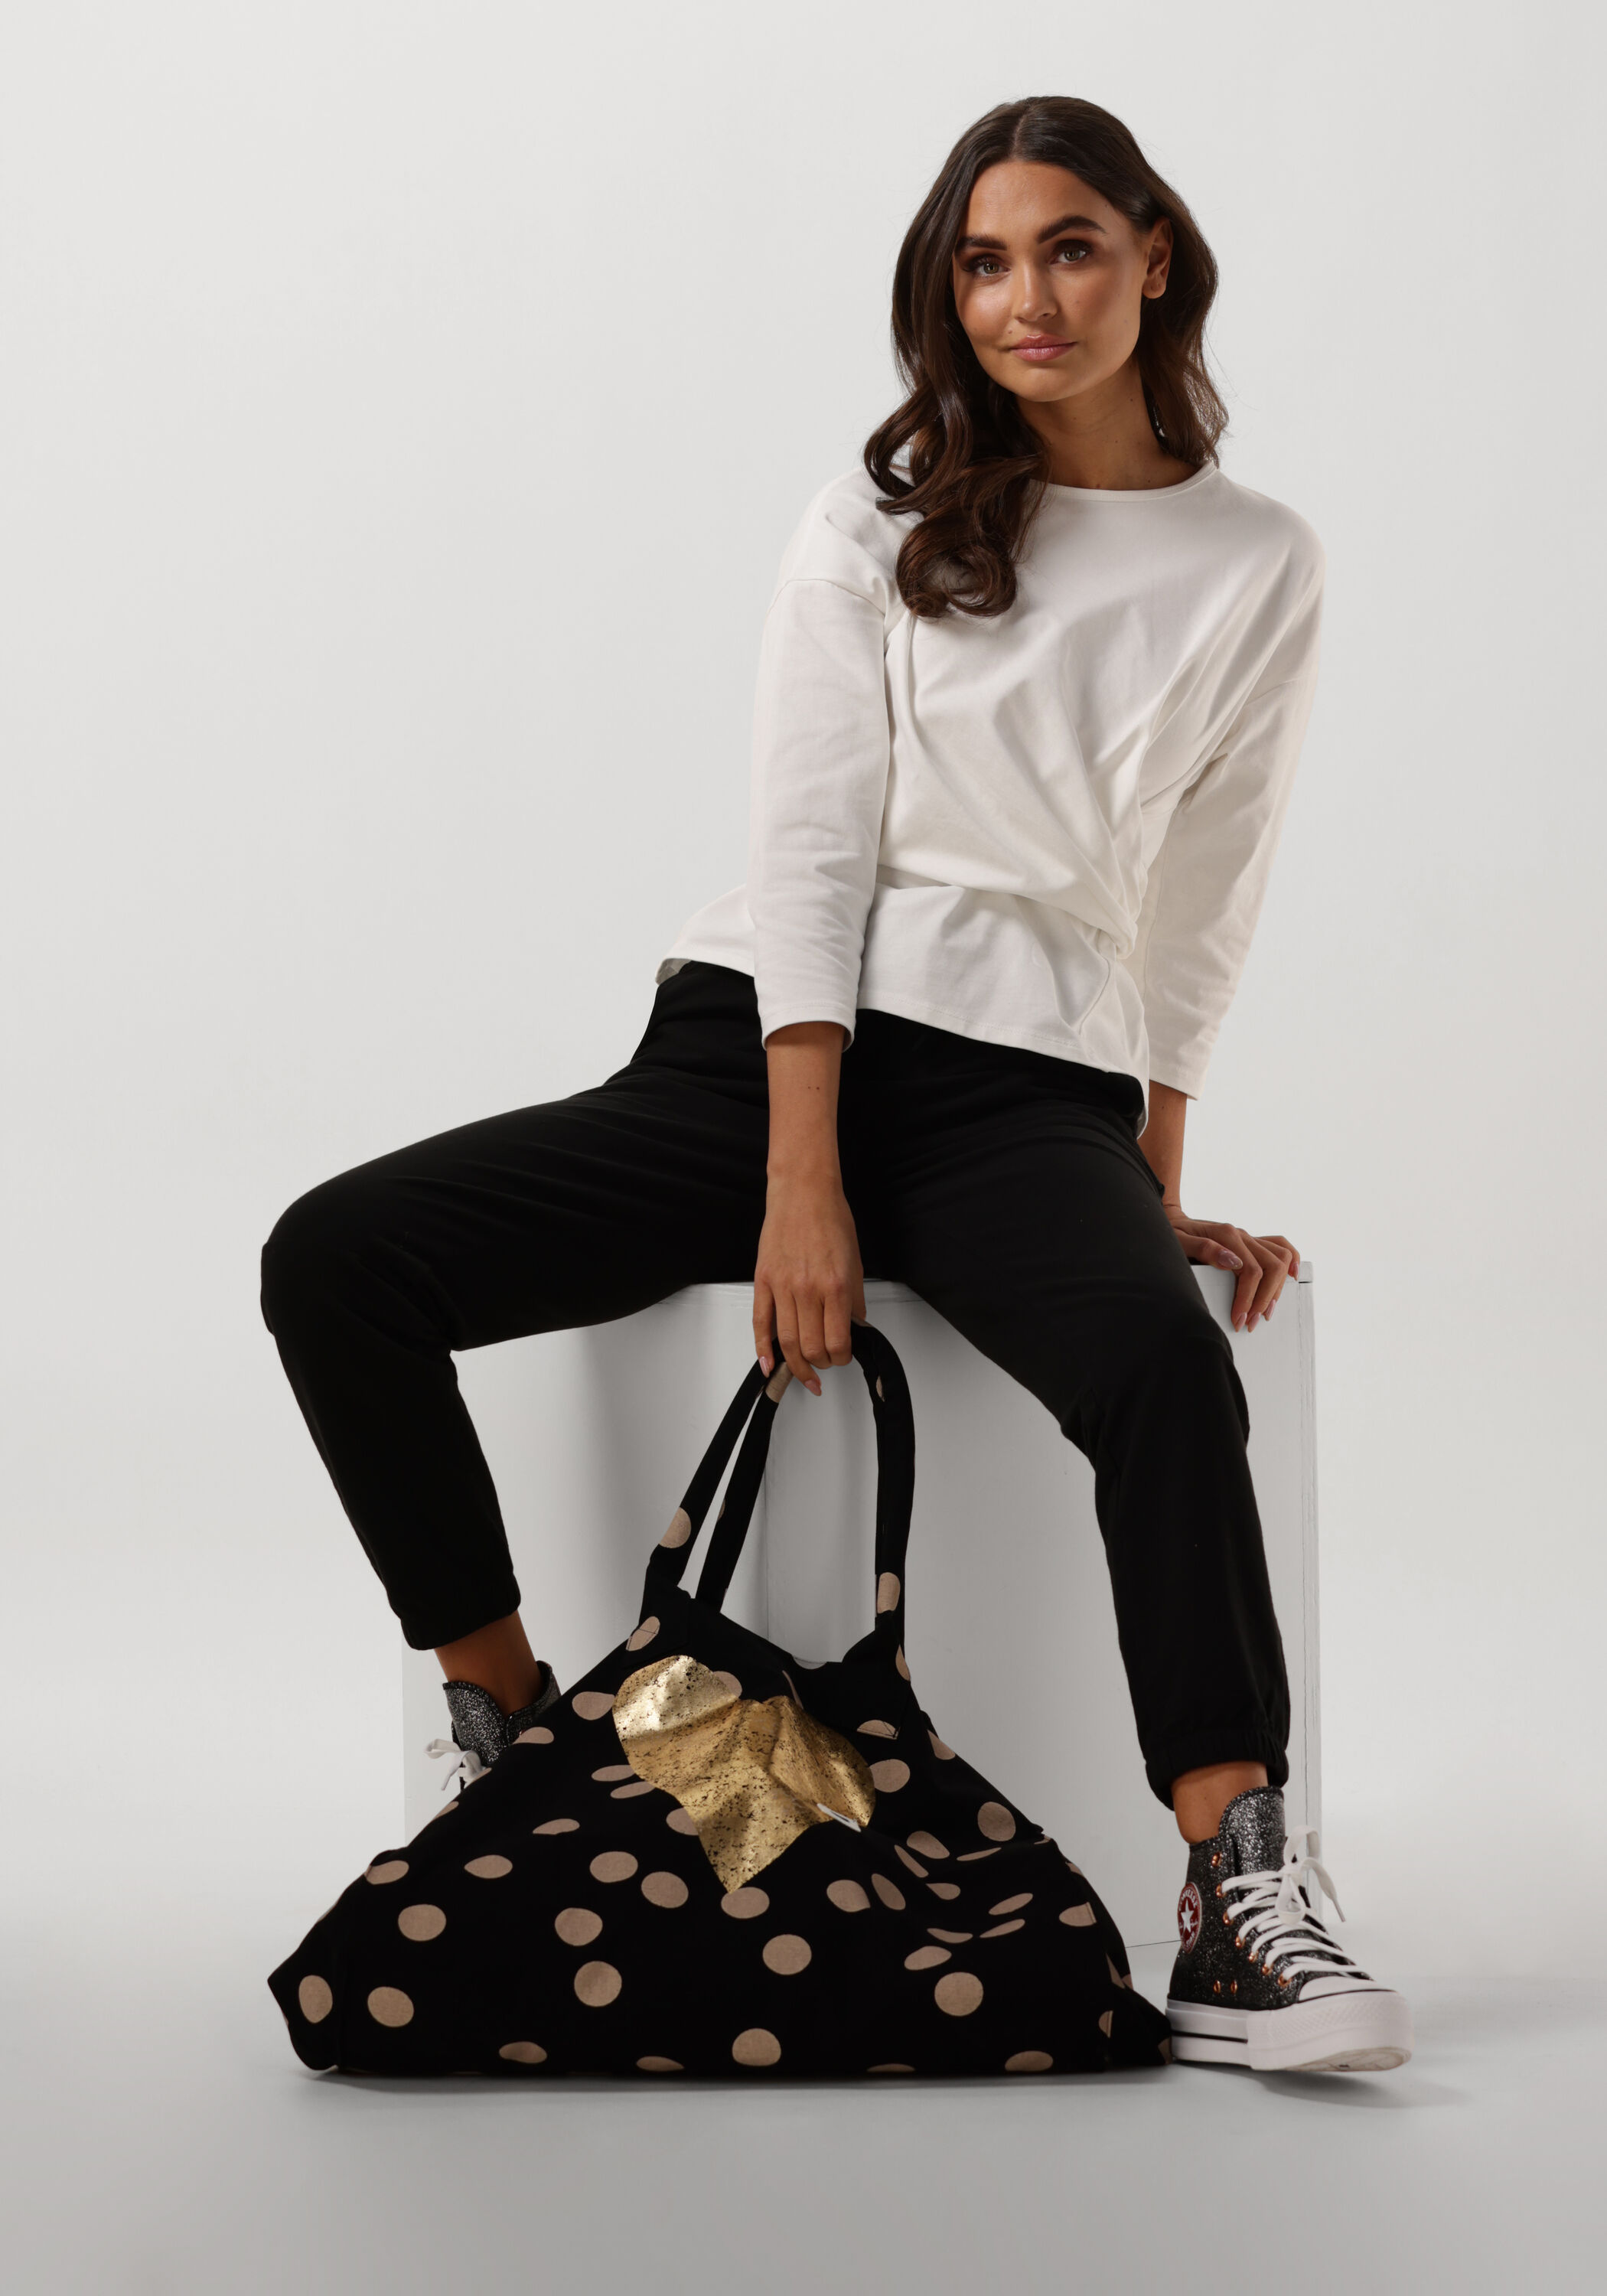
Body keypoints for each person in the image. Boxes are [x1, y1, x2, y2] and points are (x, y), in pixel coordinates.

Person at [262, 96, 1410, 2075]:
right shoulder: (875, 519)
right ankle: (510, 1729)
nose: (1025, 298)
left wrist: (1150, 1179)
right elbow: (807, 852)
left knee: (1161, 1363)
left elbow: (1201, 892)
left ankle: (1235, 1884)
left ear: (1154, 257)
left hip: (1022, 1089)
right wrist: (804, 1176)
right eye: (982, 261)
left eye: (1068, 247)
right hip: (757, 1050)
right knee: (338, 1259)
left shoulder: (1255, 561)